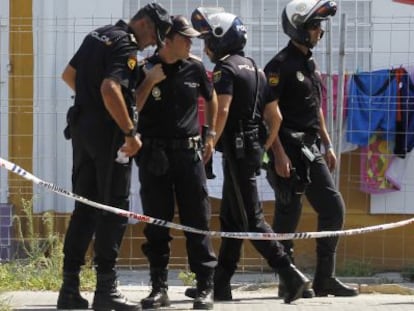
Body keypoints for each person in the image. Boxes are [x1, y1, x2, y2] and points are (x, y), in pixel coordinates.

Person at [185, 8, 311, 305]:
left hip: (237, 151)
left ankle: (290, 274)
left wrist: (211, 139)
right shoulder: (254, 68)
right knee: (231, 219)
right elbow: (275, 117)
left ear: (221, 40)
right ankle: (221, 283)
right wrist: (263, 147)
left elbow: (224, 109)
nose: (204, 48)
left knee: (252, 220)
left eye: (207, 40)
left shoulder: (224, 69)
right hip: (250, 150)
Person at [57, 3, 172, 310]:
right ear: (145, 24)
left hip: (82, 130)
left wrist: (94, 105)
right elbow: (111, 89)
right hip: (110, 138)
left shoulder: (99, 35)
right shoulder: (126, 44)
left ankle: (69, 289)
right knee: (114, 208)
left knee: (85, 207)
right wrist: (129, 131)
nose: (152, 44)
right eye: (155, 37)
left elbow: (69, 75)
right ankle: (106, 290)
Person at [263, 0, 359, 298]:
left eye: (320, 26)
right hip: (287, 150)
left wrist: (328, 144)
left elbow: (315, 108)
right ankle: (287, 280)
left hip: (311, 148)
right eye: (315, 26)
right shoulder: (278, 66)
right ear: (299, 28)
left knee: (333, 208)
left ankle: (324, 279)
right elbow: (268, 116)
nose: (320, 31)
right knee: (287, 216)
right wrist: (277, 153)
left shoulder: (309, 64)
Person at [134, 15, 218, 310]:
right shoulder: (145, 68)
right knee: (157, 222)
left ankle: (205, 286)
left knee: (198, 220)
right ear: (166, 40)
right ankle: (159, 288)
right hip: (155, 156)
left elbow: (212, 99)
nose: (191, 43)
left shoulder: (194, 66)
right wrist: (149, 81)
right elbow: (133, 106)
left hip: (188, 154)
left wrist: (211, 134)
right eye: (185, 38)